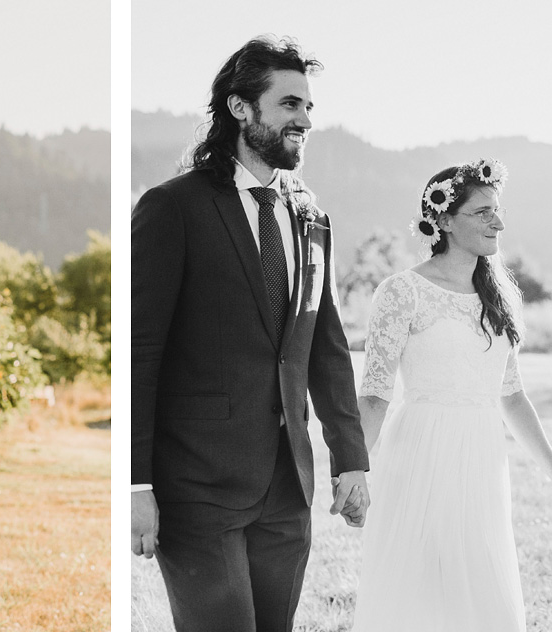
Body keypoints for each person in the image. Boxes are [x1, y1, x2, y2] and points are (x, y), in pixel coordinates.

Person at [131, 35, 370, 632]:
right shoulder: (172, 207)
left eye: (309, 108)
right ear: (241, 108)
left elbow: (326, 345)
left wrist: (351, 458)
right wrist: (135, 485)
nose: (305, 120)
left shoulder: (312, 216)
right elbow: (140, 355)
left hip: (289, 486)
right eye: (290, 105)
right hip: (195, 485)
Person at [352, 159, 552, 631]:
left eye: (497, 210)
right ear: (443, 220)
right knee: (418, 595)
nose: (498, 221)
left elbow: (512, 396)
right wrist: (354, 468)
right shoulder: (402, 292)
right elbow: (375, 394)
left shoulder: (498, 296)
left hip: (482, 457)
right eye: (482, 212)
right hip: (421, 453)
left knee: (482, 599)